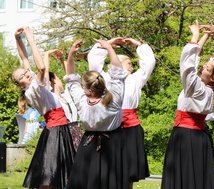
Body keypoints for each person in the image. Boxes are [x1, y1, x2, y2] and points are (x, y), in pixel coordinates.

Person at [161, 22, 214, 189]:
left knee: (184, 178)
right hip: (200, 138)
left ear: (212, 77)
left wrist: (195, 36)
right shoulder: (213, 87)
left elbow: (187, 65)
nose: (203, 66)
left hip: (185, 137)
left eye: (206, 68)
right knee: (197, 177)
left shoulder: (197, 88)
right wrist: (211, 36)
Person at [88, 37, 156, 188]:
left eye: (132, 64)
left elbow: (149, 63)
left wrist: (139, 45)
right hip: (111, 127)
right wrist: (109, 44)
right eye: (129, 63)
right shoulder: (105, 79)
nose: (131, 66)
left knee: (129, 171)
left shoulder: (136, 79)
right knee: (109, 167)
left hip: (131, 127)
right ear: (116, 62)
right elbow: (94, 63)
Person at [12, 27, 75, 189]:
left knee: (56, 174)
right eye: (23, 76)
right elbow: (41, 68)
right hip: (56, 130)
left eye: (27, 72)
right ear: (20, 84)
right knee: (50, 175)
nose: (28, 74)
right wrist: (31, 39)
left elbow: (24, 59)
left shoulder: (31, 82)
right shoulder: (33, 89)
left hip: (61, 129)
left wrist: (18, 39)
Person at [65, 38, 129, 189]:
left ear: (88, 89)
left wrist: (71, 55)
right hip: (112, 144)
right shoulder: (113, 100)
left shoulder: (82, 101)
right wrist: (109, 48)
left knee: (86, 183)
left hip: (89, 145)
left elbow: (71, 78)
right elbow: (118, 73)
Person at [43, 49, 82, 150]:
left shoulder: (66, 95)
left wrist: (62, 59)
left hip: (76, 132)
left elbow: (71, 75)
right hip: (63, 133)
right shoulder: (51, 99)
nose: (61, 80)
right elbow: (45, 73)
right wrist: (46, 54)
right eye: (58, 78)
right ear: (53, 81)